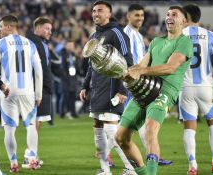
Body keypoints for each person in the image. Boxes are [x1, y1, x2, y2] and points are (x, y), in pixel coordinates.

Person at [115, 6, 193, 175]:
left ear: (184, 22)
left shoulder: (184, 42)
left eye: (174, 15)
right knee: (120, 137)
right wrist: (124, 72)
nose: (169, 17)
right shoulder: (156, 41)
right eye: (167, 14)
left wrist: (141, 71)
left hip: (165, 91)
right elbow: (141, 65)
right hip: (145, 89)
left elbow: (170, 67)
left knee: (150, 129)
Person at [79, 1, 135, 175]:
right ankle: (105, 171)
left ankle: (131, 168)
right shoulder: (94, 36)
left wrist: (123, 90)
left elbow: (128, 62)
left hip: (112, 88)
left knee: (112, 132)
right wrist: (85, 86)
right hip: (96, 89)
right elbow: (91, 65)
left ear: (109, 14)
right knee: (98, 129)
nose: (96, 13)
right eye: (94, 11)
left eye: (100, 11)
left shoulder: (117, 33)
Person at [123, 3, 172, 166]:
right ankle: (124, 163)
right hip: (131, 83)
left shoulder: (137, 34)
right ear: (128, 16)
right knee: (125, 126)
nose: (140, 18)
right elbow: (126, 61)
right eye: (136, 15)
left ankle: (153, 155)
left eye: (142, 15)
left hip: (140, 82)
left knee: (142, 122)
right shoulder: (126, 35)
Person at [178, 4, 213, 174]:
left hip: (185, 87)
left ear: (186, 17)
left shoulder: (178, 35)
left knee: (189, 127)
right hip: (206, 86)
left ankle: (192, 166)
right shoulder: (210, 35)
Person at [0, 15, 43, 172]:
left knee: (9, 129)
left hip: (8, 91)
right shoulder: (30, 43)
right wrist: (38, 94)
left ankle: (13, 162)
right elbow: (39, 70)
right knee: (30, 125)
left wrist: (1, 85)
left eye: (1, 26)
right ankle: (32, 158)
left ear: (9, 27)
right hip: (28, 92)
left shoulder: (0, 44)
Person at [23, 16, 54, 168]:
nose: (50, 32)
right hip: (37, 89)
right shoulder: (33, 43)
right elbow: (38, 70)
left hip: (39, 88)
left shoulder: (39, 42)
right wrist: (39, 91)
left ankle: (31, 154)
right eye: (47, 28)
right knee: (34, 124)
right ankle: (29, 157)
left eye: (51, 29)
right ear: (38, 27)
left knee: (36, 123)